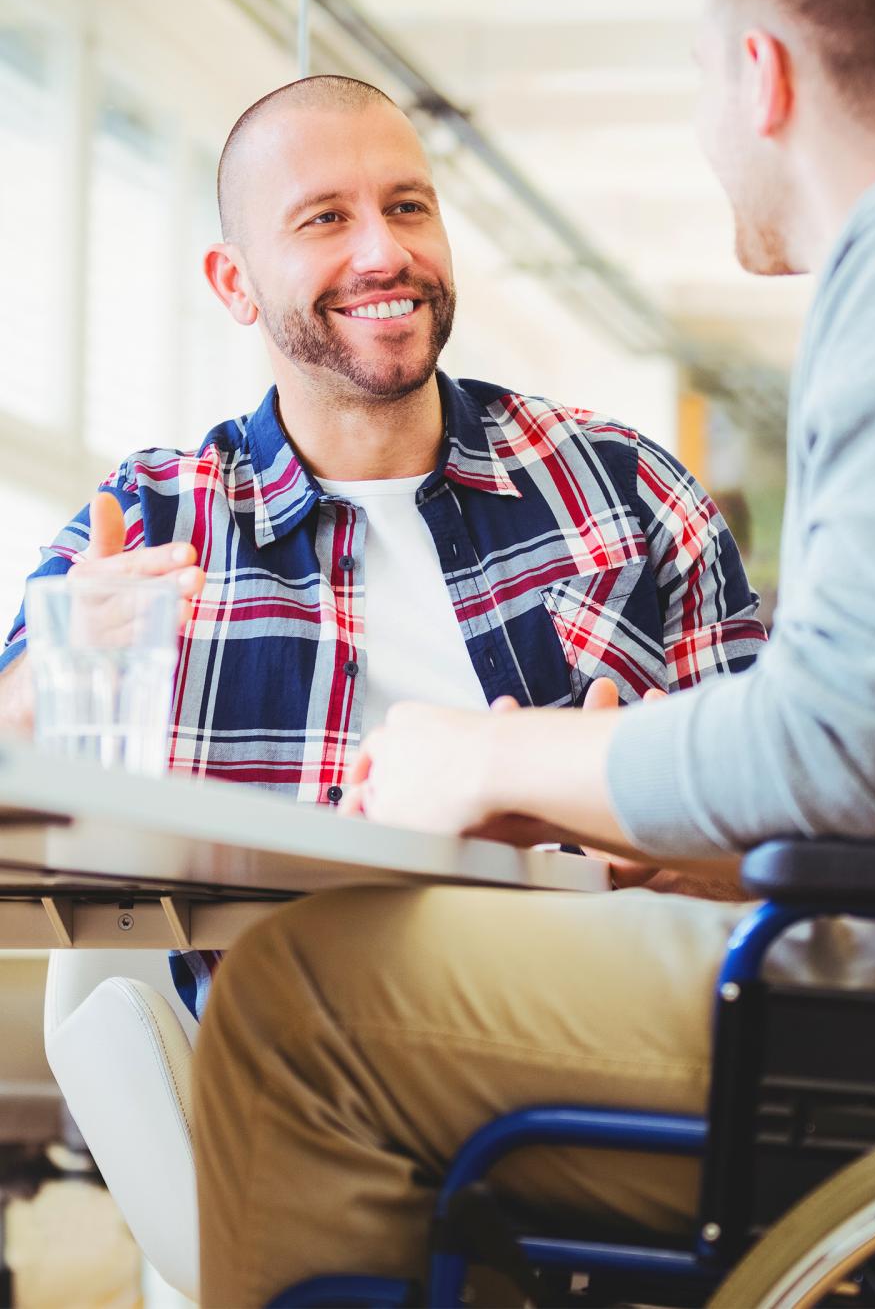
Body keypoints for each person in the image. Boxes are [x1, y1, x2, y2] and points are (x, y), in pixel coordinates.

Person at [191, 0, 875, 1302]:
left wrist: (502, 759)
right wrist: (651, 804)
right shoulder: (164, 512)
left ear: (762, 73)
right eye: (322, 217)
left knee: (296, 1000)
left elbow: (868, 737)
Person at [0, 75, 763, 1019]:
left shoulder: (628, 489)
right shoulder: (148, 519)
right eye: (324, 218)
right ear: (233, 283)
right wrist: (40, 691)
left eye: (409, 207)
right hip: (288, 1077)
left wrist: (662, 844)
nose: (384, 252)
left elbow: (795, 836)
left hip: (598, 1053)